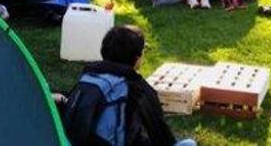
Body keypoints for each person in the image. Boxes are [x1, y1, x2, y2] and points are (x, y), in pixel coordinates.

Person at [59, 25, 194, 146]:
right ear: (137, 58)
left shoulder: (88, 76)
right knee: (189, 144)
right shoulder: (137, 87)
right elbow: (161, 135)